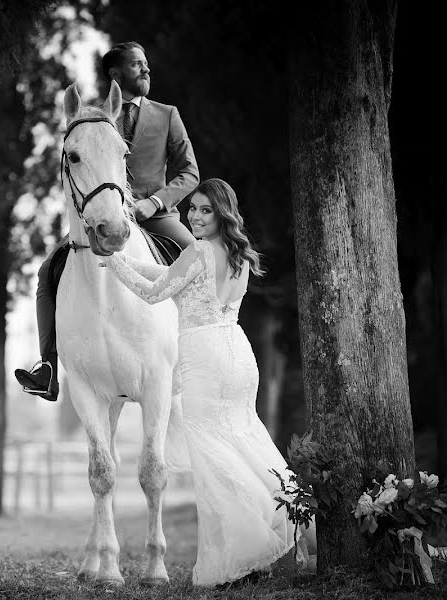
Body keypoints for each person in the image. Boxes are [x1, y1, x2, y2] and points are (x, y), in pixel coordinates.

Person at [98, 178, 316, 586]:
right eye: (192, 209)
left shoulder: (196, 251)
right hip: (237, 352)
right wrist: (128, 261)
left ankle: (246, 554)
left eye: (204, 210)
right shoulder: (239, 255)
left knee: (213, 458)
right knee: (244, 440)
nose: (194, 216)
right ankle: (289, 522)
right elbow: (171, 276)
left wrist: (113, 263)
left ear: (221, 214)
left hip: (204, 359)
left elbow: (153, 293)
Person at [14, 41, 199, 401]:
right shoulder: (91, 119)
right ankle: (48, 366)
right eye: (136, 65)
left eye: (146, 64)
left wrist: (156, 201)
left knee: (198, 257)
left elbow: (189, 173)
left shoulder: (167, 114)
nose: (146, 70)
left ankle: (205, 356)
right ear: (116, 74)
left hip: (156, 216)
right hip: (101, 214)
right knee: (47, 272)